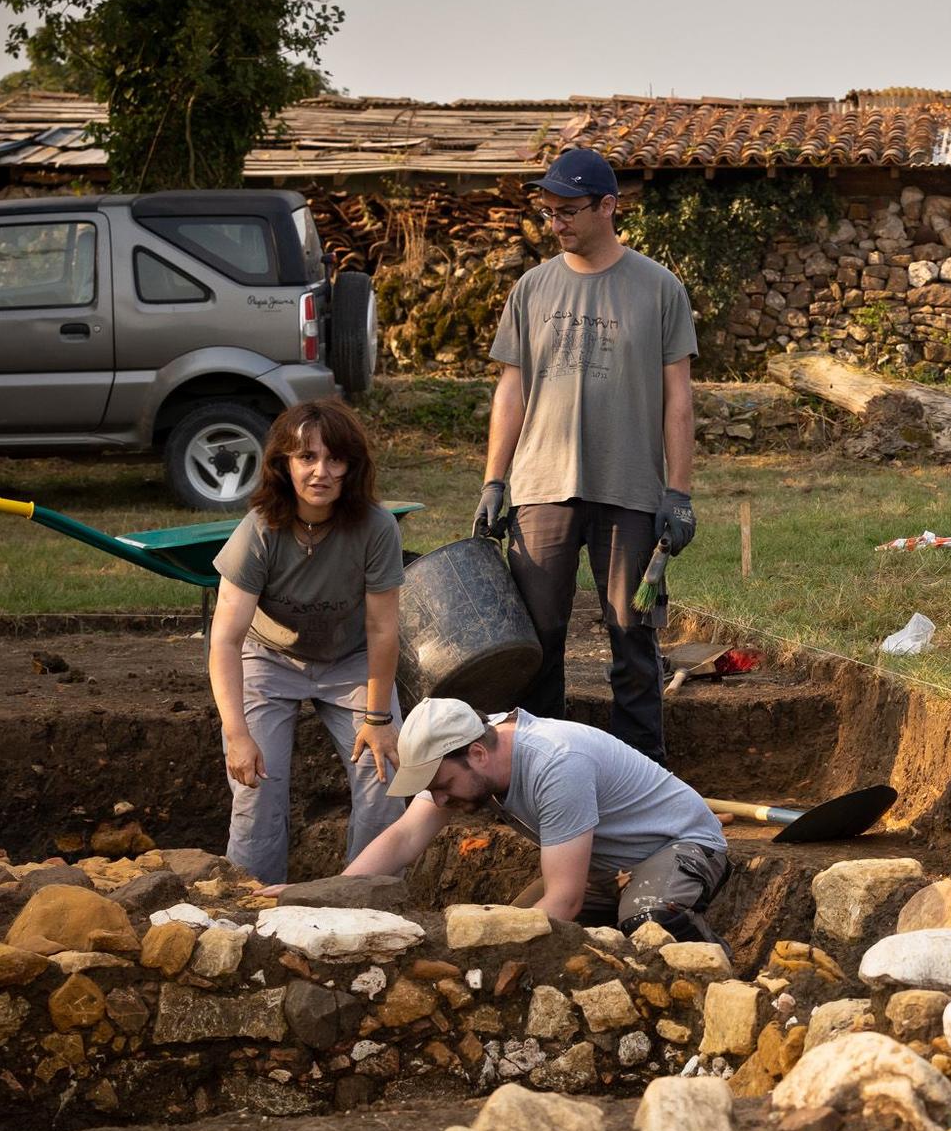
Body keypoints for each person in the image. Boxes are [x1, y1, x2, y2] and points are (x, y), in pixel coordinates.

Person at [474, 147, 697, 765]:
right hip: (541, 486)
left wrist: (678, 493)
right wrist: (495, 481)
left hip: (629, 489)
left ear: (608, 206)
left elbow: (678, 397)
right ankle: (540, 768)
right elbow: (511, 389)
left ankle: (642, 770)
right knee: (537, 639)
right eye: (548, 212)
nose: (556, 223)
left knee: (632, 634)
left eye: (568, 210)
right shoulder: (531, 289)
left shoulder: (658, 289)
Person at [329, 696, 731, 942]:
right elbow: (403, 838)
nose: (438, 798)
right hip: (605, 868)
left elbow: (565, 900)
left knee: (648, 921)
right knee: (513, 928)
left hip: (680, 847)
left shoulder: (558, 764)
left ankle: (723, 979)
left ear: (478, 755)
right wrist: (328, 897)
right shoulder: (467, 754)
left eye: (442, 785)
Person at [209, 399, 405, 883]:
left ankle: (366, 896)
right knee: (257, 786)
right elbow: (226, 640)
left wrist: (379, 719)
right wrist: (236, 735)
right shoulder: (260, 530)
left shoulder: (376, 528)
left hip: (351, 660)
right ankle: (252, 906)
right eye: (306, 458)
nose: (321, 472)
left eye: (334, 459)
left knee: (386, 778)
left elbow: (383, 629)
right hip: (268, 659)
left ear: (351, 466)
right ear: (284, 463)